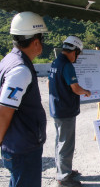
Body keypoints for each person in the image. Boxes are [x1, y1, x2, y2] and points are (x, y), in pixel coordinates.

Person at [0, 11, 48, 187]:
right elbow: (4, 112)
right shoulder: (21, 70)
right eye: (42, 39)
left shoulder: (9, 60)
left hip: (17, 143)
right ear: (35, 42)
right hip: (22, 147)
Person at [49, 36, 91, 187]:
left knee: (60, 142)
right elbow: (75, 88)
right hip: (65, 110)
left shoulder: (56, 62)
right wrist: (86, 91)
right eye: (78, 53)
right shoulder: (67, 65)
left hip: (57, 108)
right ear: (75, 51)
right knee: (66, 144)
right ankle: (64, 179)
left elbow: (49, 82)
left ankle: (62, 171)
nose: (77, 57)